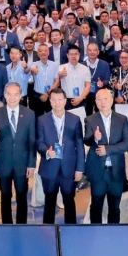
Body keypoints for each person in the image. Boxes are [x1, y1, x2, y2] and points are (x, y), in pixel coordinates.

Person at [0, 83, 37, 224]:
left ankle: (22, 225)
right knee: (5, 196)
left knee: (22, 196)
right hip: (4, 163)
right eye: (9, 94)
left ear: (20, 96)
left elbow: (32, 141)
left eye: (16, 94)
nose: (12, 97)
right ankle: (7, 226)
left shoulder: (29, 114)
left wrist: (31, 164)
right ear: (5, 95)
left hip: (22, 164)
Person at [82, 87, 128, 224]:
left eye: (105, 99)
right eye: (99, 99)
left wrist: (108, 149)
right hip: (98, 170)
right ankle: (95, 232)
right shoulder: (90, 119)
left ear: (111, 100)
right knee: (96, 206)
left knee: (115, 208)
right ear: (95, 102)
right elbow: (86, 141)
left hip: (116, 171)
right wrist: (95, 138)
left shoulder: (122, 119)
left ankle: (113, 233)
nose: (102, 102)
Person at [37, 88, 85, 224]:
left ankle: (71, 230)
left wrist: (80, 169)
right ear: (50, 101)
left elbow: (79, 145)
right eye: (54, 100)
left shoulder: (75, 120)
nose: (57, 103)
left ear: (65, 101)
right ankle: (48, 230)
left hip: (69, 168)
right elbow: (39, 142)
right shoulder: (42, 120)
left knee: (69, 200)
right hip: (49, 167)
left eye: (60, 100)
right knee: (49, 201)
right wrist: (46, 151)